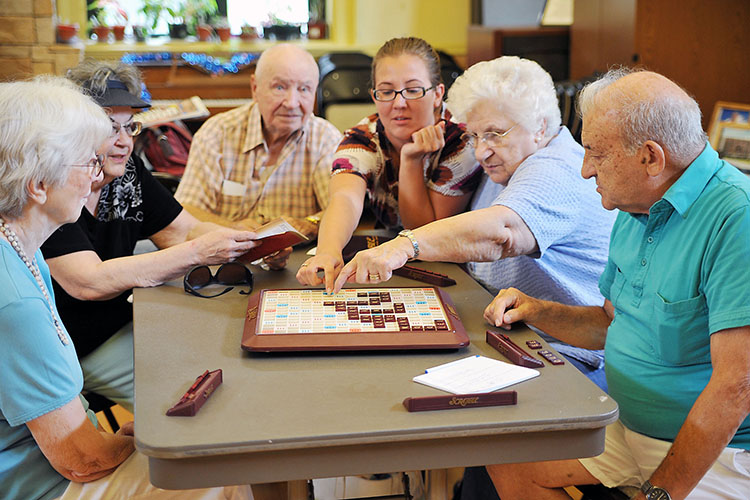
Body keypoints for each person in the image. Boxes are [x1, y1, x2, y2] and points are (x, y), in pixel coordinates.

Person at [476, 69, 750, 499]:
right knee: (506, 457)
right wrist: (538, 310)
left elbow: (737, 387)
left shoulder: (737, 218)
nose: (585, 171)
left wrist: (660, 492)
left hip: (719, 455)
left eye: (596, 155)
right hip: (628, 428)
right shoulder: (636, 203)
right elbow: (613, 323)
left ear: (651, 158)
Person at [0, 76, 253, 500]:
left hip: (60, 451)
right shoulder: (16, 299)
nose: (98, 176)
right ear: (38, 186)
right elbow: (82, 460)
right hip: (43, 483)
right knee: (223, 473)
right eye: (87, 163)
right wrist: (137, 441)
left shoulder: (21, 249)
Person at [328, 56, 616, 390]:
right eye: (475, 136)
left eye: (494, 134)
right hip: (509, 332)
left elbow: (501, 233)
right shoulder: (510, 160)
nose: (481, 152)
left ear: (539, 127)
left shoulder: (554, 168)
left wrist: (402, 247)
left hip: (568, 356)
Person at [41, 60, 261, 413]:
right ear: (74, 128)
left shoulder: (126, 172)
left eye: (130, 128)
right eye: (111, 128)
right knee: (186, 400)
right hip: (70, 345)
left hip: (128, 321)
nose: (125, 143)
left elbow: (183, 230)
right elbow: (89, 282)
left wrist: (249, 243)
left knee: (217, 364)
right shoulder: (54, 187)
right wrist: (198, 252)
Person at [296, 37, 483, 290]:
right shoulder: (361, 137)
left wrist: (411, 160)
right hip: (391, 258)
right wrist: (328, 252)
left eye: (413, 90)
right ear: (374, 96)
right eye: (386, 91)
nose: (399, 103)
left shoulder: (462, 140)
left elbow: (424, 233)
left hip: (454, 267)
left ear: (438, 94)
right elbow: (345, 198)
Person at [174, 43, 342, 237]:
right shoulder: (217, 133)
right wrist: (231, 228)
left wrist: (308, 224)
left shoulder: (325, 139)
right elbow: (186, 209)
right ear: (255, 88)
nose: (292, 103)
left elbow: (341, 208)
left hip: (299, 261)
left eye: (304, 89)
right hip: (223, 257)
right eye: (279, 87)